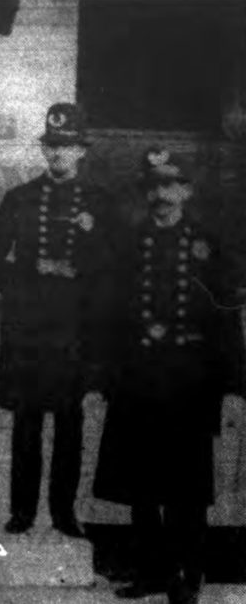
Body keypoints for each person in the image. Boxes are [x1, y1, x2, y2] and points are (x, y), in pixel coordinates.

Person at [93, 148, 245, 604]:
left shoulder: (208, 245)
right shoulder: (129, 244)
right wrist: (106, 374)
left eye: (171, 185)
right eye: (154, 186)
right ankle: (150, 572)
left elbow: (225, 321)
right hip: (139, 377)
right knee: (142, 483)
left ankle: (189, 573)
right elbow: (110, 313)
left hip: (189, 381)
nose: (162, 194)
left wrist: (234, 384)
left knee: (187, 485)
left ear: (187, 191)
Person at [0, 103, 120, 538]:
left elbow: (113, 268)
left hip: (74, 331)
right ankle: (22, 511)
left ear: (82, 151)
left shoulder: (101, 203)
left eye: (67, 148)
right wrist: (27, 278)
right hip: (30, 330)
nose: (58, 156)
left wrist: (84, 253)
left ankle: (64, 512)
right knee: (27, 424)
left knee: (69, 424)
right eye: (51, 147)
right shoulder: (20, 198)